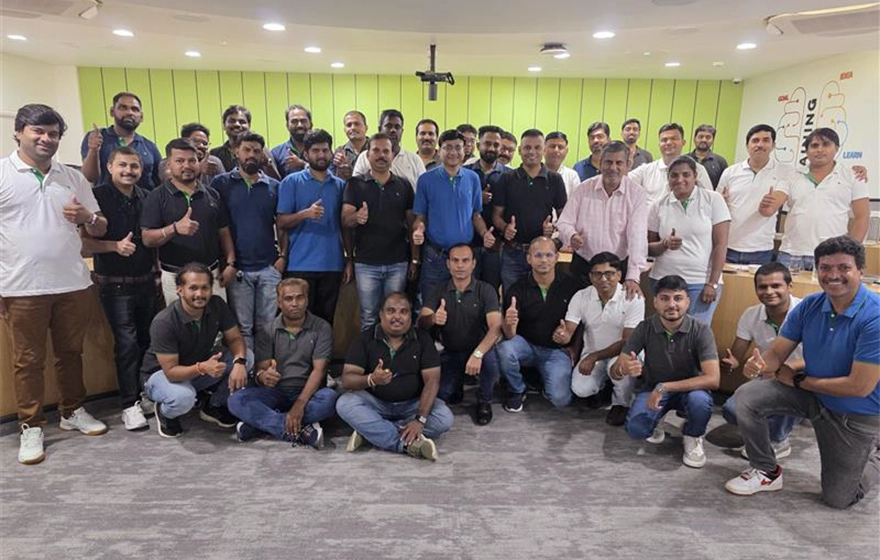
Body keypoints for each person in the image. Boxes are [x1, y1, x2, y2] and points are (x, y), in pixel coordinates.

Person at [727, 236, 879, 509]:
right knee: (747, 395)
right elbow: (776, 354)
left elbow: (859, 387)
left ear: (860, 271)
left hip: (855, 413)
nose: (833, 275)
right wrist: (760, 365)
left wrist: (800, 380)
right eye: (825, 267)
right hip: (816, 397)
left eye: (843, 267)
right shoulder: (810, 306)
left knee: (839, 498)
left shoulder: (875, 316)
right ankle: (766, 471)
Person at [2, 104, 109, 465]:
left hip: (72, 283)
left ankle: (72, 411)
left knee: (70, 354)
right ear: (19, 132)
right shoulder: (3, 174)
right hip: (20, 287)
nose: (46, 139)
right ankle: (30, 426)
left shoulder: (72, 177)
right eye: (38, 131)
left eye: (53, 133)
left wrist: (87, 217)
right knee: (27, 361)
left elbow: (100, 226)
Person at [81, 146, 158, 431]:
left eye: (134, 166)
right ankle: (129, 404)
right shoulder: (96, 197)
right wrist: (114, 246)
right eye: (122, 165)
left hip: (146, 281)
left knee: (148, 342)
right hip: (115, 285)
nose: (129, 171)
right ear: (110, 167)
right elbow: (84, 244)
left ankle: (145, 394)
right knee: (126, 345)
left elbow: (151, 239)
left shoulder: (147, 196)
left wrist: (157, 272)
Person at [616, 274, 721, 468]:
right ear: (655, 302)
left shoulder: (701, 330)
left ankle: (693, 435)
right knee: (636, 430)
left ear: (688, 302)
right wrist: (625, 369)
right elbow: (618, 367)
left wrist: (665, 387)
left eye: (678, 298)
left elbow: (713, 379)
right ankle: (657, 419)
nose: (672, 304)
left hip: (690, 390)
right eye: (664, 298)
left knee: (700, 402)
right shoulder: (644, 327)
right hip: (653, 389)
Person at [336, 292, 453, 461]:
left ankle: (372, 432)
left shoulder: (423, 339)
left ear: (410, 316)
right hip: (376, 404)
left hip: (412, 406)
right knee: (345, 403)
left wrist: (419, 420)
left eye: (403, 312)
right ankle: (404, 444)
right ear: (381, 314)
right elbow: (347, 380)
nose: (397, 316)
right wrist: (371, 379)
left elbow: (432, 382)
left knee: (444, 418)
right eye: (390, 311)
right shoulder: (364, 339)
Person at [142, 263, 252, 438]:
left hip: (197, 365)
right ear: (180, 290)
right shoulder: (164, 322)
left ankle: (214, 406)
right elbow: (171, 372)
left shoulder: (217, 304)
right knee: (183, 397)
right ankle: (165, 412)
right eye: (193, 288)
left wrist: (239, 362)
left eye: (205, 288)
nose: (200, 294)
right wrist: (202, 368)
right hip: (161, 375)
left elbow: (235, 338)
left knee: (247, 358)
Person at [227, 278, 337, 448]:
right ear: (279, 302)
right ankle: (298, 431)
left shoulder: (322, 327)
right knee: (236, 400)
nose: (295, 303)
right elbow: (261, 369)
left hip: (309, 393)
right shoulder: (267, 330)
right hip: (275, 392)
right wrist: (263, 376)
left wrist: (299, 404)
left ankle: (260, 423)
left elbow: (319, 371)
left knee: (330, 400)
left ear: (307, 300)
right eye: (288, 299)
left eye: (300, 297)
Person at [719, 262, 803, 458]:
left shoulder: (806, 312)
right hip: (768, 375)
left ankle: (778, 440)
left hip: (802, 377)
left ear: (790, 287)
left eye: (776, 286)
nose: (769, 291)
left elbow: (823, 357)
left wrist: (787, 369)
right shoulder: (751, 314)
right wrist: (733, 362)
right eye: (762, 287)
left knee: (786, 393)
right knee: (732, 410)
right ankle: (765, 431)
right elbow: (737, 355)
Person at [210, 132, 284, 351]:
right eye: (247, 150)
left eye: (256, 151)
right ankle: (247, 367)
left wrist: (283, 257)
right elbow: (218, 227)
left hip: (268, 267)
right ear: (236, 152)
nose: (251, 154)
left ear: (262, 155)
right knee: (243, 327)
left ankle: (265, 367)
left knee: (267, 325)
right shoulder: (220, 184)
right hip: (237, 269)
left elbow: (282, 224)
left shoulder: (274, 186)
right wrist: (228, 263)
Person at [141, 138, 235, 304]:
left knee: (217, 319)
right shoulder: (156, 197)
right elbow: (147, 239)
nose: (187, 165)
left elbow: (224, 231)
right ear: (168, 164)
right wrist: (174, 228)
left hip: (211, 274)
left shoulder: (212, 194)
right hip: (175, 277)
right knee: (180, 320)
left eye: (192, 160)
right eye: (180, 161)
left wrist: (230, 263)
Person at [555, 253, 644, 425]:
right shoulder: (581, 296)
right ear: (590, 277)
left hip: (623, 353)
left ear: (619, 275)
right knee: (580, 389)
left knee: (621, 368)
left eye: (609, 273)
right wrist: (562, 335)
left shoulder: (633, 297)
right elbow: (568, 329)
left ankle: (621, 403)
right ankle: (603, 388)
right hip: (593, 353)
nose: (603, 279)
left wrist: (594, 356)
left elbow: (628, 341)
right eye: (598, 274)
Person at [498, 237, 584, 412]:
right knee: (504, 350)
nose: (544, 260)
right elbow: (510, 335)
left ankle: (540, 379)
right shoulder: (517, 288)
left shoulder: (573, 287)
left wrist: (574, 348)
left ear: (557, 257)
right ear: (529, 259)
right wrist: (510, 323)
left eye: (548, 255)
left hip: (556, 351)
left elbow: (584, 324)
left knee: (561, 399)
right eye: (538, 255)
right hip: (527, 345)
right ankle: (517, 389)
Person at [419, 244, 502, 425]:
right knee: (443, 393)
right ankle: (457, 385)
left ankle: (484, 401)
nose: (460, 265)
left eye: (465, 260)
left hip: (480, 351)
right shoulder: (438, 290)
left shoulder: (486, 290)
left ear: (473, 264)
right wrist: (433, 318)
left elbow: (496, 326)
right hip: (451, 351)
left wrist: (478, 354)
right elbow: (421, 322)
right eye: (455, 260)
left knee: (491, 365)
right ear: (448, 264)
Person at [342, 132, 415, 332]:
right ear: (367, 155)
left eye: (386, 151)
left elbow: (412, 225)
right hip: (366, 264)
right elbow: (345, 220)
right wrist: (356, 217)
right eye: (376, 150)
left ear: (392, 155)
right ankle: (370, 353)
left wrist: (414, 259)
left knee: (395, 317)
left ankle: (392, 352)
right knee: (368, 317)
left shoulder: (404, 185)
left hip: (398, 263)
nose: (381, 155)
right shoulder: (354, 184)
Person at [276, 129, 350, 325]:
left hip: (332, 265)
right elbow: (281, 222)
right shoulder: (291, 182)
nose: (321, 155)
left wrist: (349, 259)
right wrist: (305, 214)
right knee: (299, 321)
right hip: (299, 265)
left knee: (326, 321)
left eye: (325, 150)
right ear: (306, 154)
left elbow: (344, 226)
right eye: (316, 151)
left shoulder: (340, 185)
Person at [412, 129, 495, 301]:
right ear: (439, 151)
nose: (453, 152)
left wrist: (484, 233)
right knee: (431, 304)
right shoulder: (426, 180)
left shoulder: (472, 178)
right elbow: (420, 218)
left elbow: (476, 215)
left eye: (458, 147)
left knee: (463, 305)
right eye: (448, 148)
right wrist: (419, 230)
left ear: (465, 150)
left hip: (463, 258)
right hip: (436, 256)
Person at [557, 141, 647, 297]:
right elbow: (564, 222)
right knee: (578, 310)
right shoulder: (583, 189)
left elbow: (637, 237)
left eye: (619, 163)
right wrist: (571, 235)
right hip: (583, 267)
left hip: (617, 269)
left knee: (613, 311)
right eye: (608, 162)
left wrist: (633, 276)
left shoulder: (636, 194)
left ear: (628, 165)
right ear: (600, 163)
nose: (613, 167)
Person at [772, 128, 870, 271]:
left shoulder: (853, 176)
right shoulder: (793, 175)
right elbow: (775, 203)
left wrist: (850, 253)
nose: (820, 149)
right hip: (791, 254)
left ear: (836, 148)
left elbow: (862, 217)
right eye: (814, 145)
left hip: (832, 256)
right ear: (807, 151)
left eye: (826, 144)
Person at [647, 156, 730, 325]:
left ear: (695, 176)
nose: (680, 180)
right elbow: (648, 248)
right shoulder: (658, 205)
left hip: (700, 282)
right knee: (667, 332)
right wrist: (664, 244)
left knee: (696, 332)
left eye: (686, 174)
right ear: (668, 178)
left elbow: (721, 245)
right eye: (674, 175)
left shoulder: (713, 200)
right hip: (663, 280)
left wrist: (712, 283)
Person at [493, 129, 567, 292]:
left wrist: (553, 230)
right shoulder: (506, 178)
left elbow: (565, 217)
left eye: (537, 147)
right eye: (527, 148)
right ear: (520, 150)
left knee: (541, 299)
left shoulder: (555, 179)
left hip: (543, 255)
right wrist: (505, 228)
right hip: (513, 253)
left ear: (544, 150)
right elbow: (496, 216)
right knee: (511, 299)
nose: (532, 152)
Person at [717, 124, 795, 265]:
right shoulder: (730, 172)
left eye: (766, 140)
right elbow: (717, 204)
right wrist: (720, 202)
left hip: (761, 250)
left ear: (773, 145)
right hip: (728, 246)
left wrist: (769, 204)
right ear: (747, 146)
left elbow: (774, 204)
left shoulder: (784, 172)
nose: (760, 145)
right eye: (755, 140)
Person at [80, 91, 162, 190]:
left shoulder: (150, 147)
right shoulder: (96, 138)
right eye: (123, 108)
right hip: (105, 198)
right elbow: (89, 177)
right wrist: (94, 150)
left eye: (135, 109)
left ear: (141, 117)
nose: (129, 112)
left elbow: (160, 181)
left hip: (144, 199)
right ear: (112, 112)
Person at [464, 125, 507, 290]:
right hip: (468, 244)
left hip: (496, 246)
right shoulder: (464, 173)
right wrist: (477, 198)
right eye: (487, 143)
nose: (491, 148)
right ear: (478, 145)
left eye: (496, 145)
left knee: (491, 290)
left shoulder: (509, 175)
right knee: (468, 290)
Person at [628, 123, 712, 206]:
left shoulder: (698, 169)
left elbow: (709, 200)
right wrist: (627, 165)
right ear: (659, 144)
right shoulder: (645, 170)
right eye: (664, 140)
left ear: (683, 142)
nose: (668, 143)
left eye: (674, 139)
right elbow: (623, 183)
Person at [353, 109, 426, 189]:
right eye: (388, 126)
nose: (393, 130)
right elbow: (356, 186)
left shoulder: (414, 160)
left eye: (397, 127)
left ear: (402, 131)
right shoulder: (365, 157)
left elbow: (425, 189)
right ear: (380, 129)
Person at [209, 105, 280, 179]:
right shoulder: (215, 154)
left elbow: (276, 181)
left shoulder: (262, 151)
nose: (237, 124)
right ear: (224, 125)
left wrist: (267, 164)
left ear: (249, 126)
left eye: (242, 122)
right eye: (232, 121)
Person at [158, 122, 226, 188]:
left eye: (205, 143)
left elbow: (224, 184)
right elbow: (169, 179)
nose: (201, 146)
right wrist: (198, 168)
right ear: (184, 141)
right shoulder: (168, 161)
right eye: (195, 141)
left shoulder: (214, 162)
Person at [271, 104, 312, 178]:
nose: (299, 125)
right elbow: (274, 181)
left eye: (303, 121)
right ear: (287, 125)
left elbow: (328, 176)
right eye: (294, 121)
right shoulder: (276, 153)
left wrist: (302, 164)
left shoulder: (321, 151)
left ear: (311, 124)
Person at [330, 110, 368, 180]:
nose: (353, 128)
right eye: (349, 125)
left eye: (357, 124)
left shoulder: (375, 150)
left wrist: (351, 171)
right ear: (345, 130)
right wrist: (339, 171)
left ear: (366, 128)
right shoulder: (339, 152)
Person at [687, 124, 728, 189]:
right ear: (694, 139)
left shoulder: (720, 162)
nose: (704, 140)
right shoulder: (684, 159)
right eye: (700, 137)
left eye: (708, 137)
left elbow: (724, 186)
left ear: (713, 140)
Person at [543, 131, 582, 197]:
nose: (556, 150)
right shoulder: (535, 172)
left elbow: (576, 201)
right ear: (544, 149)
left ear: (566, 151)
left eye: (560, 147)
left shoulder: (572, 176)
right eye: (552, 146)